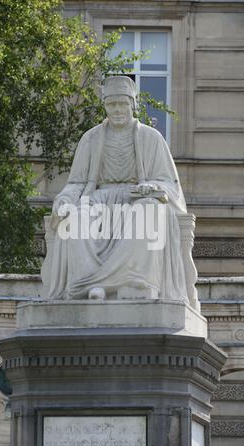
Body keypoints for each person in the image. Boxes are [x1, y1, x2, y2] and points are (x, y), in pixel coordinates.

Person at [48, 75, 188, 301]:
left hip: (136, 200)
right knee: (74, 217)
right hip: (97, 200)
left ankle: (133, 283)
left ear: (132, 105)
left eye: (122, 104)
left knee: (150, 211)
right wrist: (64, 200)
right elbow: (76, 183)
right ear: (105, 106)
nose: (117, 110)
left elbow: (169, 183)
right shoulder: (90, 139)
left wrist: (150, 187)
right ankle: (87, 284)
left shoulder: (152, 138)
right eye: (111, 104)